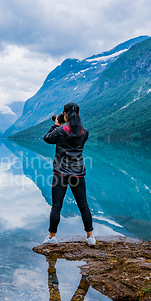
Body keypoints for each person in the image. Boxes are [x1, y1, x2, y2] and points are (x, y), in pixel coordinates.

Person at [42, 102, 95, 247]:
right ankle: (90, 238)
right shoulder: (85, 132)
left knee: (56, 207)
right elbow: (74, 132)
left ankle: (52, 237)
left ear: (65, 115)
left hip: (60, 174)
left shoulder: (60, 131)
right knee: (84, 205)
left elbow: (47, 138)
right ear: (78, 114)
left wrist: (56, 124)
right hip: (78, 174)